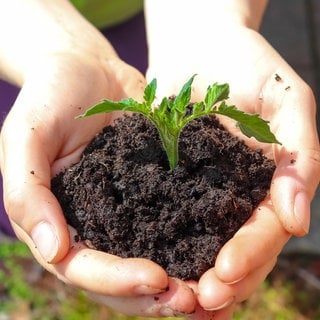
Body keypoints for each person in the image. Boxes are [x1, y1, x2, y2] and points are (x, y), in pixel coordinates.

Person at [0, 0, 319, 318]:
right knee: (32, 169)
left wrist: (207, 24)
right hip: (21, 33)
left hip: (155, 15)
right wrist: (57, 52)